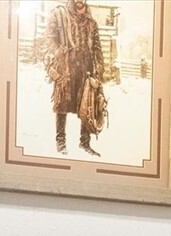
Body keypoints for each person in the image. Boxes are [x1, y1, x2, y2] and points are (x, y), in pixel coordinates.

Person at [41, 0, 103, 156]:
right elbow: (49, 37)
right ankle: (60, 142)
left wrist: (99, 71)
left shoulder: (92, 22)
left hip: (85, 71)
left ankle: (85, 143)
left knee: (87, 106)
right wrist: (58, 52)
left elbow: (97, 49)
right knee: (62, 106)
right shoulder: (60, 15)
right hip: (66, 69)